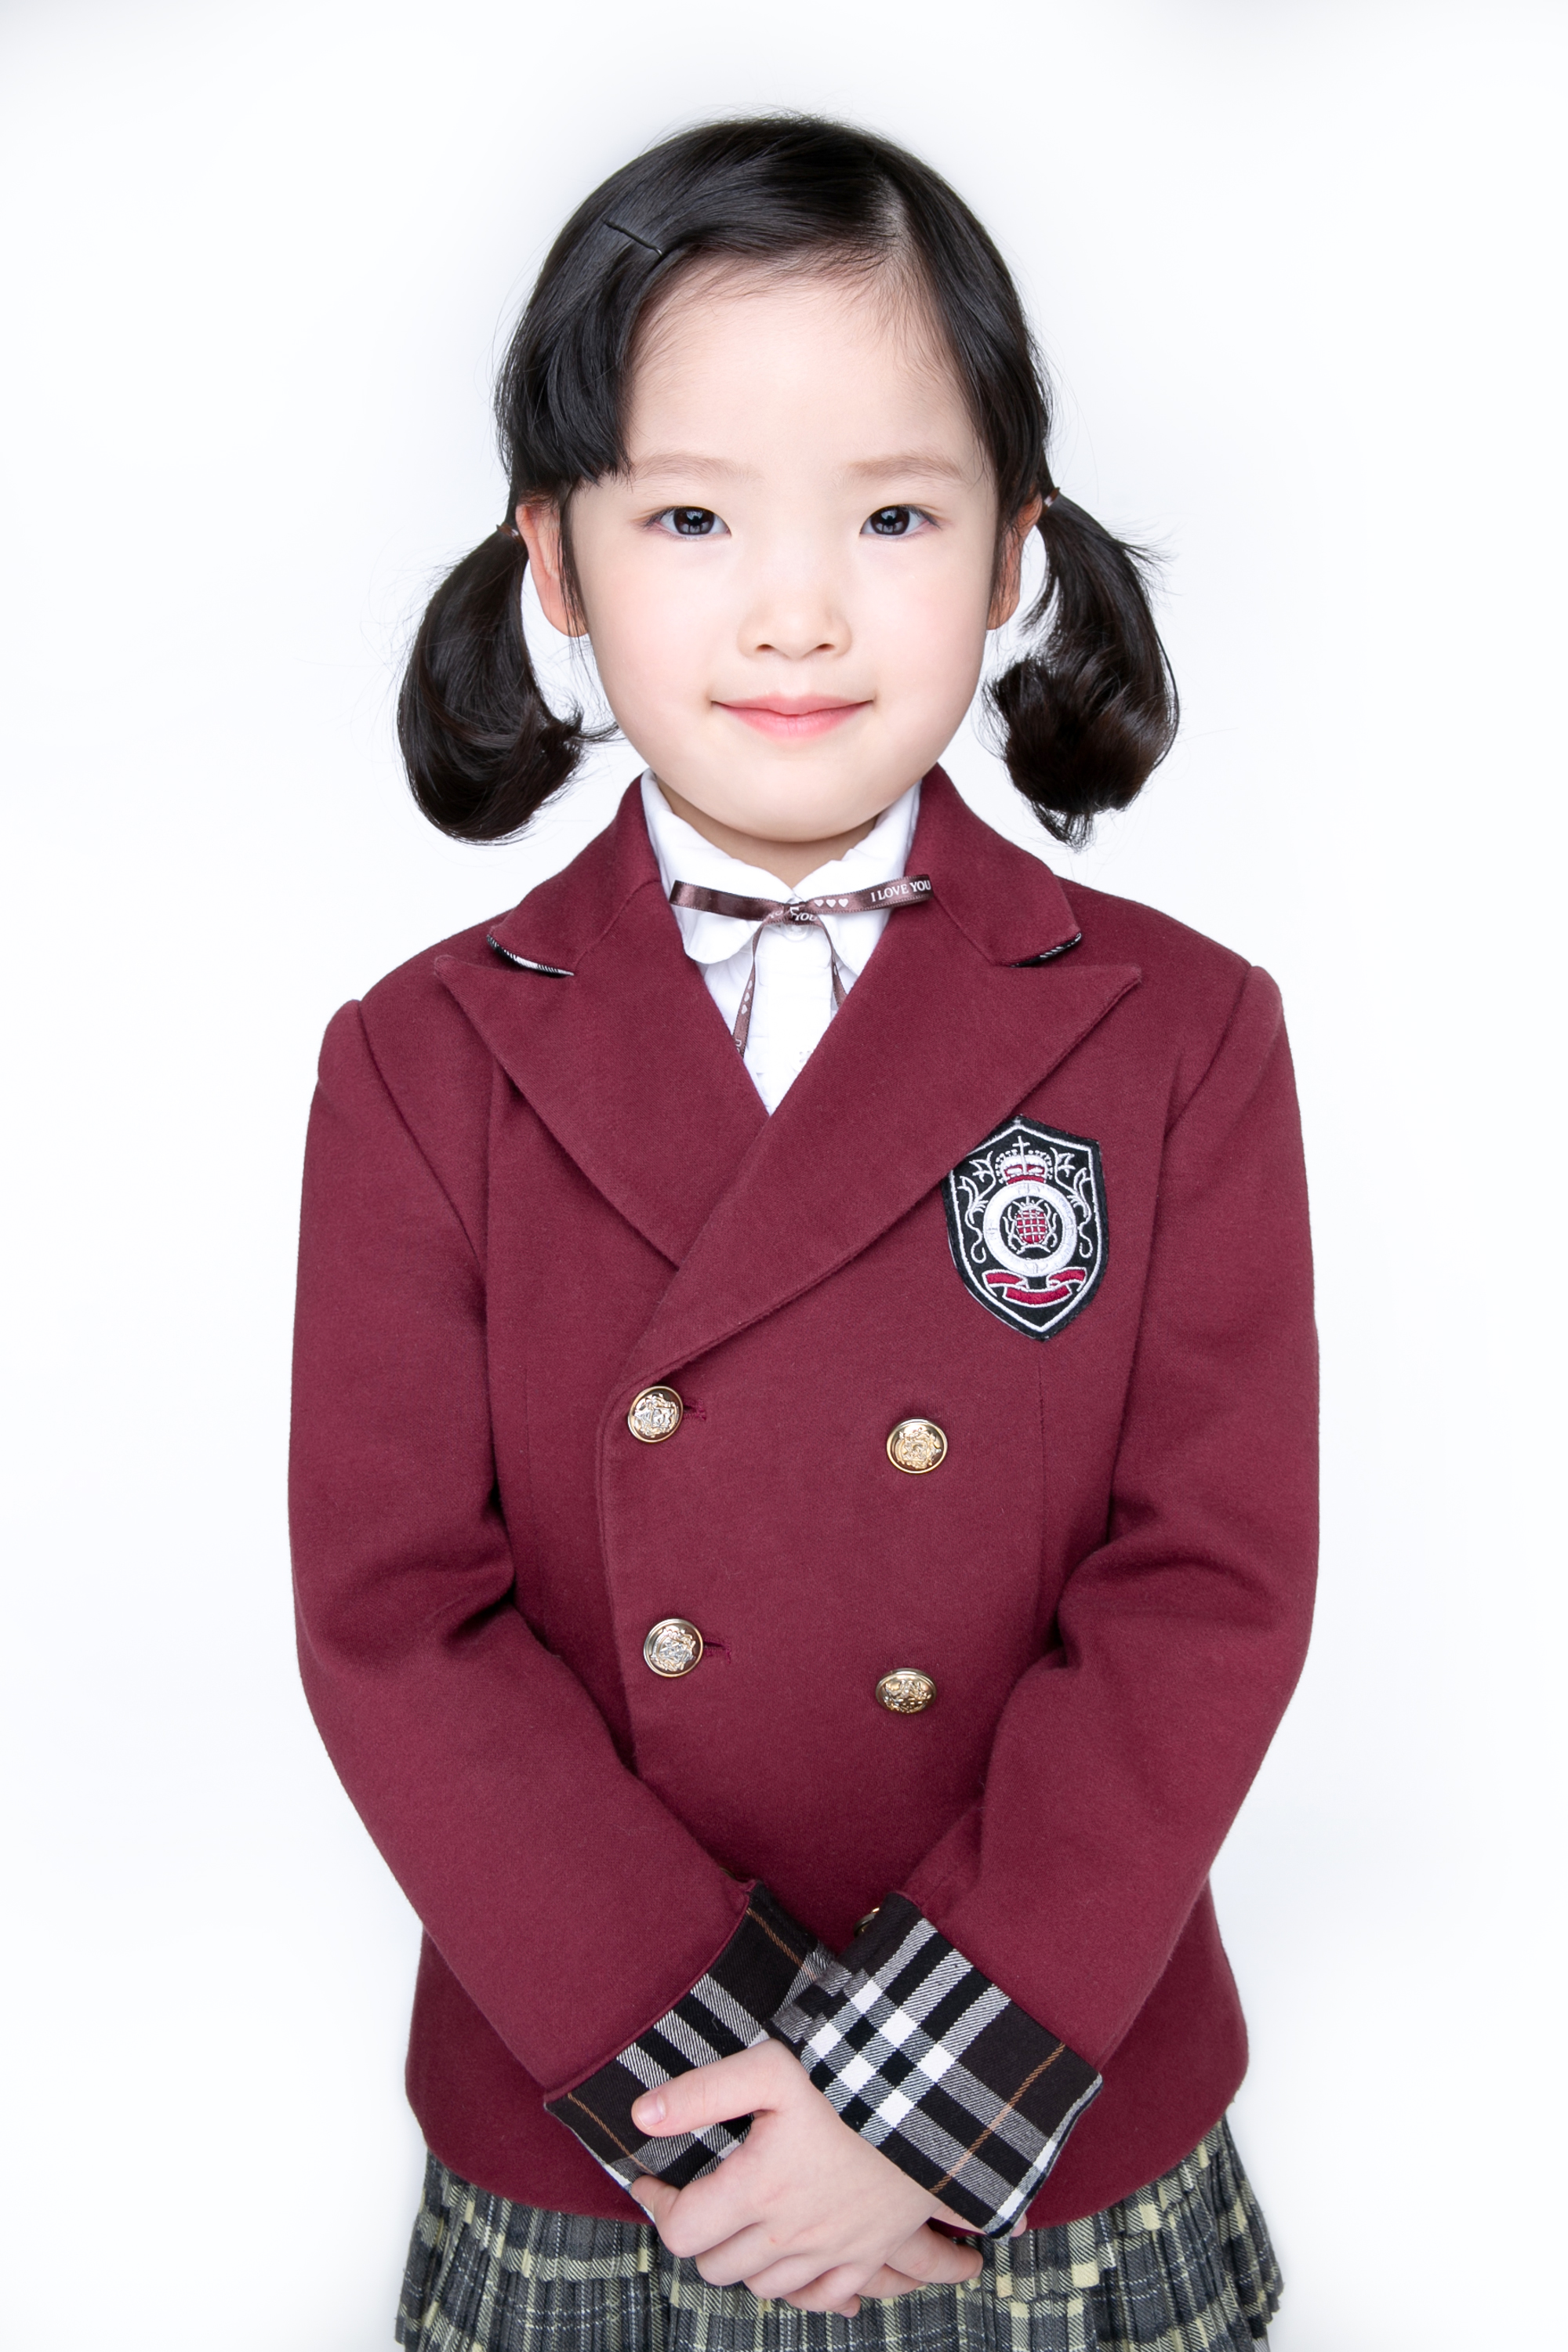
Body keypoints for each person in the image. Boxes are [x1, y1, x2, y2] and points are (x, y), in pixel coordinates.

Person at [289, 115, 1316, 2352]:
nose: (795, 611)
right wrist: (731, 2111)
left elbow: (1208, 1592)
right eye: (690, 517)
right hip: (600, 2131)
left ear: (1015, 554)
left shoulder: (1183, 1033)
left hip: (1046, 2122)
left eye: (893, 515)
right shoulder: (421, 1060)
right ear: (556, 562)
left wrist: (914, 2107)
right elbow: (399, 1629)